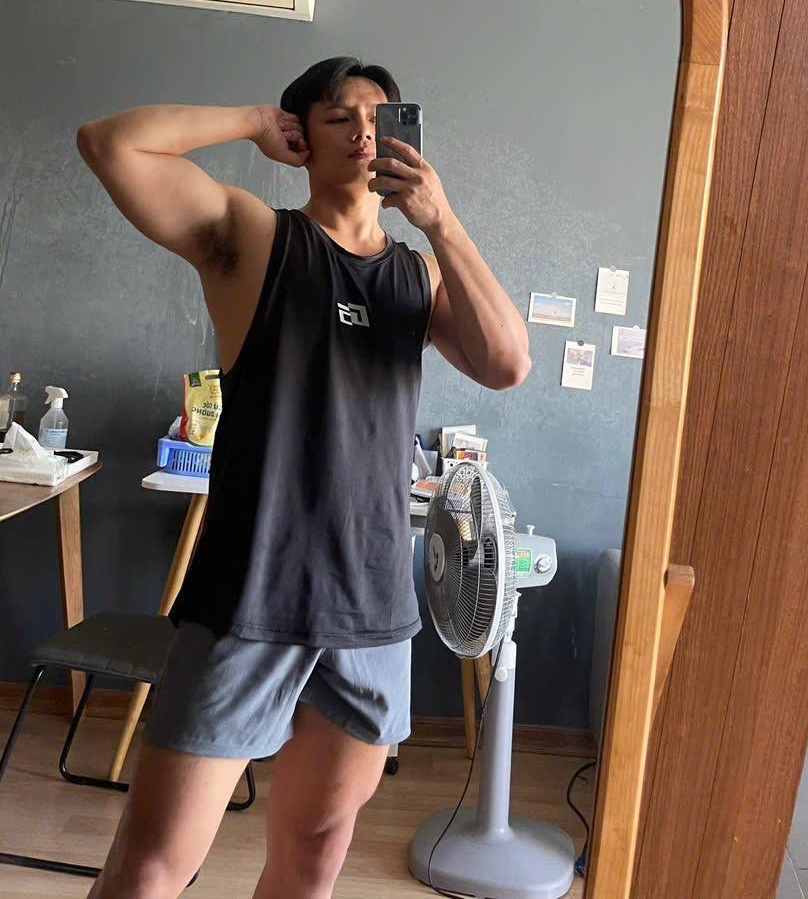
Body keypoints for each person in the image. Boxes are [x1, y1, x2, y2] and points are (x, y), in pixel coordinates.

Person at [77, 55, 531, 899]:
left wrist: (442, 222)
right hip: (252, 596)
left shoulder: (420, 275)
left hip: (370, 610)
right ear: (303, 140)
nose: (364, 131)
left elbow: (507, 363)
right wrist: (253, 121)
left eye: (381, 118)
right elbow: (111, 144)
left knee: (313, 861)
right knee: (153, 868)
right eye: (339, 116)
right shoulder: (254, 239)